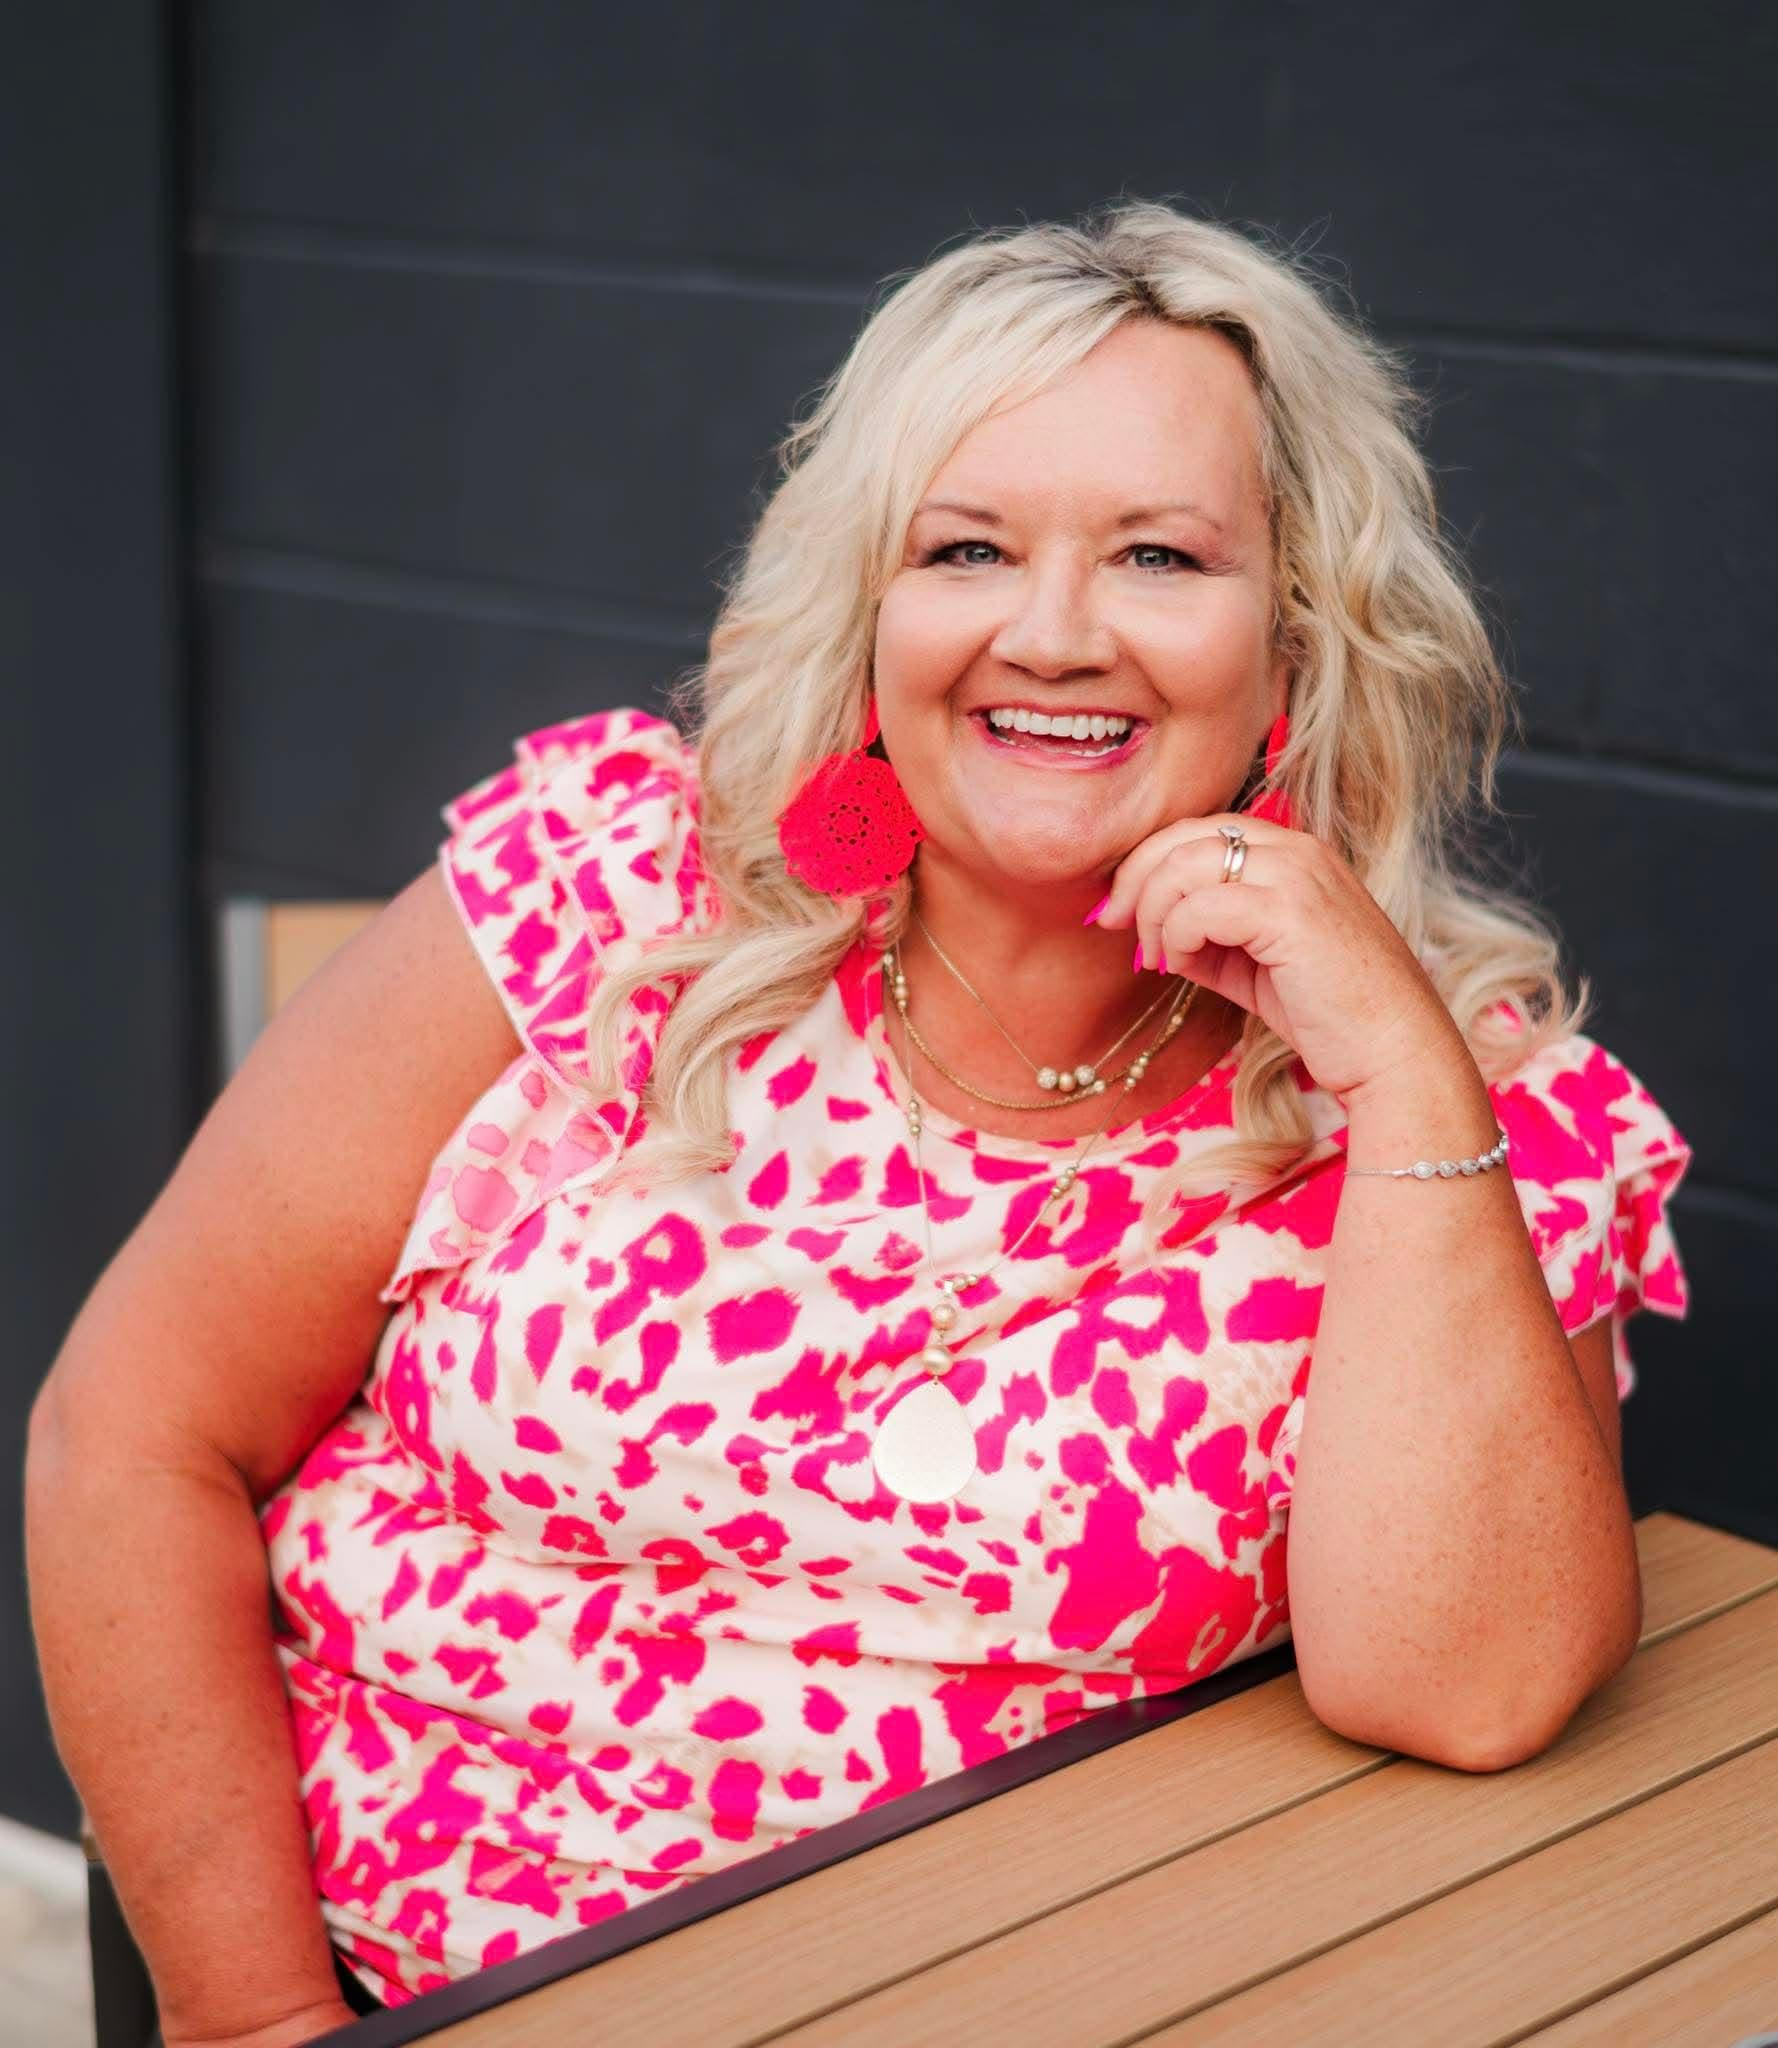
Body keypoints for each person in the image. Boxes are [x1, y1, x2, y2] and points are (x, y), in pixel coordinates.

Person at [25, 199, 1693, 2041]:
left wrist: (1392, 1070)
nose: (1054, 636)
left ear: (1294, 635)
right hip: (378, 1977)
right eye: (967, 547)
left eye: (1157, 555)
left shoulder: (1465, 1105)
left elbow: (1466, 1693)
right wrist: (253, 2019)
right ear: (872, 608)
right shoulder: (618, 891)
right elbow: (136, 1438)